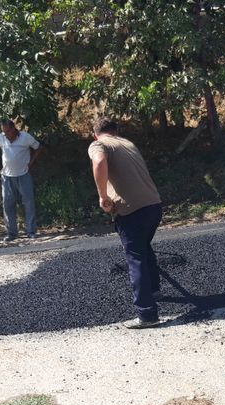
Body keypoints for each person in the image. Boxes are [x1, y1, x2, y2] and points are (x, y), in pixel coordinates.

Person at [88, 116, 164, 329]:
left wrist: (102, 196)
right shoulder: (128, 143)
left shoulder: (98, 144)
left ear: (95, 133)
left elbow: (99, 161)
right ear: (116, 130)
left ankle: (147, 314)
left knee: (135, 257)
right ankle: (155, 289)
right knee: (144, 246)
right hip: (153, 205)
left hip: (131, 209)